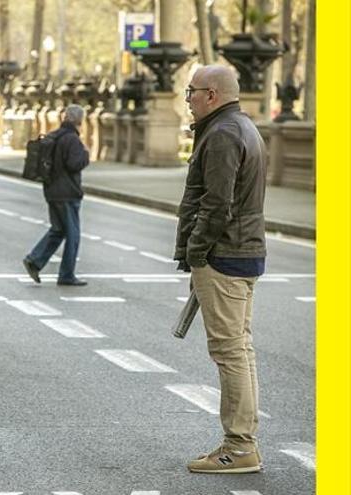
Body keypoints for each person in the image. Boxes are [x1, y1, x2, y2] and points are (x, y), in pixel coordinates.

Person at [175, 64, 267, 474]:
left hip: (224, 256)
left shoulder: (224, 133)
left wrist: (196, 252)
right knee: (239, 350)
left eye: (191, 91)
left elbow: (216, 204)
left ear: (211, 94)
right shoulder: (240, 127)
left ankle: (239, 447)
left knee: (230, 352)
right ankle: (242, 442)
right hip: (242, 252)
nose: (188, 99)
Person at [21, 104, 90, 287]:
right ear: (79, 120)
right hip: (67, 193)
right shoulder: (72, 140)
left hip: (51, 190)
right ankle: (66, 275)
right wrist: (86, 155)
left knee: (58, 230)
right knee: (73, 235)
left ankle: (34, 261)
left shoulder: (53, 136)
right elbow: (74, 164)